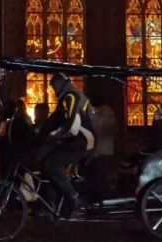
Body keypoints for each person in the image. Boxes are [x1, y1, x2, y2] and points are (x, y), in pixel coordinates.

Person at [36, 74, 96, 215]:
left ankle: (74, 197)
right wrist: (40, 130)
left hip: (83, 142)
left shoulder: (72, 96)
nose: (53, 90)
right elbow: (55, 118)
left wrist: (51, 136)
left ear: (59, 84)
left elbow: (71, 126)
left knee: (50, 164)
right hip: (75, 141)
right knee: (46, 164)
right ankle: (50, 204)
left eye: (53, 87)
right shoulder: (65, 97)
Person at [87, 97, 116, 203]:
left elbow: (97, 128)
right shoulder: (105, 111)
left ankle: (104, 197)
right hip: (103, 148)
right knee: (100, 174)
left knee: (101, 174)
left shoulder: (104, 111)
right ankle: (101, 196)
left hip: (102, 149)